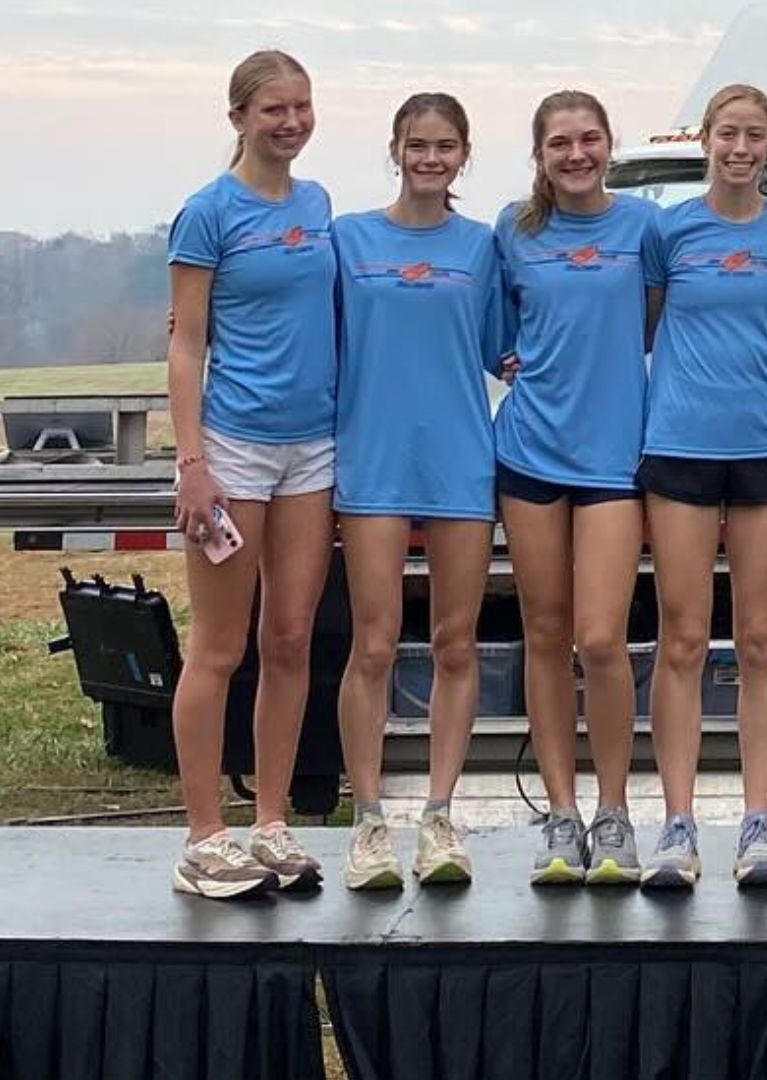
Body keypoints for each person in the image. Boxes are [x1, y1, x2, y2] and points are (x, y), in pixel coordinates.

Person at [636, 83, 767, 889]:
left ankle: (757, 822)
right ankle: (678, 824)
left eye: (755, 136)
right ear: (705, 139)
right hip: (678, 443)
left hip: (766, 449)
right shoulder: (666, 231)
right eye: (728, 135)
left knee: (760, 639)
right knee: (681, 638)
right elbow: (638, 328)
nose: (740, 149)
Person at [165, 50, 336, 899]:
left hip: (314, 449)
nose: (291, 122)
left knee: (291, 640)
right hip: (233, 447)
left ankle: (270, 822)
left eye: (302, 106)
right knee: (221, 647)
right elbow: (185, 342)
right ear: (238, 117)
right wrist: (190, 461)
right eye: (274, 108)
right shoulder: (207, 213)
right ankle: (204, 838)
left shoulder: (318, 203)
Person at [332, 93, 501, 889]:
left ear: (464, 155)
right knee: (373, 643)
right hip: (373, 463)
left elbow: (515, 351)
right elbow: (305, 336)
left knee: (454, 643)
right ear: (394, 149)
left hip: (462, 460)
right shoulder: (349, 240)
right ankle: (368, 821)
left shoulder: (483, 247)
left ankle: (439, 815)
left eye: (445, 147)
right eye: (417, 145)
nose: (430, 159)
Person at [494, 90, 656, 886]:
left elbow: (658, 318)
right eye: (560, 142)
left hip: (614, 462)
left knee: (601, 638)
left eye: (589, 139)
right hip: (529, 455)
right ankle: (562, 814)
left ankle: (616, 809)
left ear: (609, 144)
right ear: (540, 153)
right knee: (546, 632)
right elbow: (497, 336)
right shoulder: (514, 231)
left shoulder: (641, 228)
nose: (577, 154)